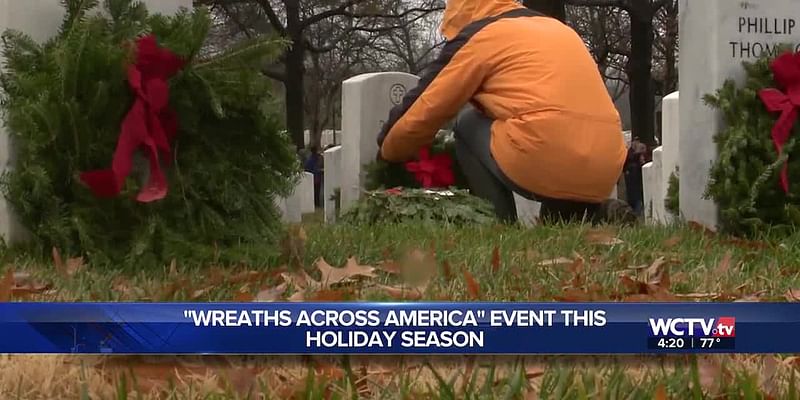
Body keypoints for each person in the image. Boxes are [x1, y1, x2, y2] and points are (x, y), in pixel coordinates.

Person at [375, 0, 635, 224]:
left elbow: (426, 106)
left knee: (467, 124)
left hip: (544, 155)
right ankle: (594, 216)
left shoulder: (482, 35)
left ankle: (499, 224)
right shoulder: (558, 28)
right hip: (606, 164)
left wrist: (389, 151)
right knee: (552, 138)